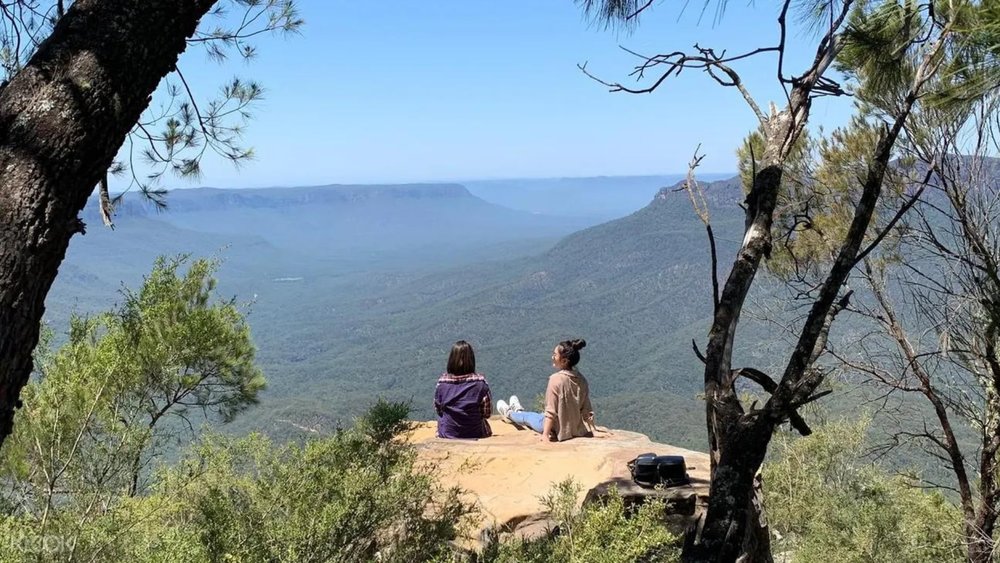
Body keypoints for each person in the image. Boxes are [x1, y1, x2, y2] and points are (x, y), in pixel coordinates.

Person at [497, 339, 594, 442]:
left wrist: (545, 435)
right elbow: (586, 409)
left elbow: (550, 412)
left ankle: (510, 413)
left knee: (528, 417)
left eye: (555, 355)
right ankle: (517, 410)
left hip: (555, 428)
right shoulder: (582, 380)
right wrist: (593, 430)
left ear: (564, 361)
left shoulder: (555, 380)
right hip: (576, 429)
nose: (552, 357)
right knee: (535, 415)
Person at [434, 340, 493, 439]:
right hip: (475, 433)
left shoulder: (442, 383)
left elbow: (439, 410)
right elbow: (487, 413)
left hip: (448, 434)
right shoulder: (480, 383)